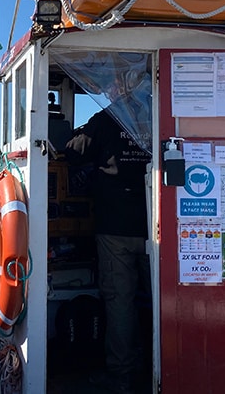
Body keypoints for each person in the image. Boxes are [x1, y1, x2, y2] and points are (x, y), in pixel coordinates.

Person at [65, 104, 152, 393]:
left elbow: (73, 151)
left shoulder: (107, 119)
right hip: (158, 225)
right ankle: (160, 370)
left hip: (116, 229)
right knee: (163, 301)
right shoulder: (160, 113)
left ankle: (122, 377)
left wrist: (80, 133)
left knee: (120, 304)